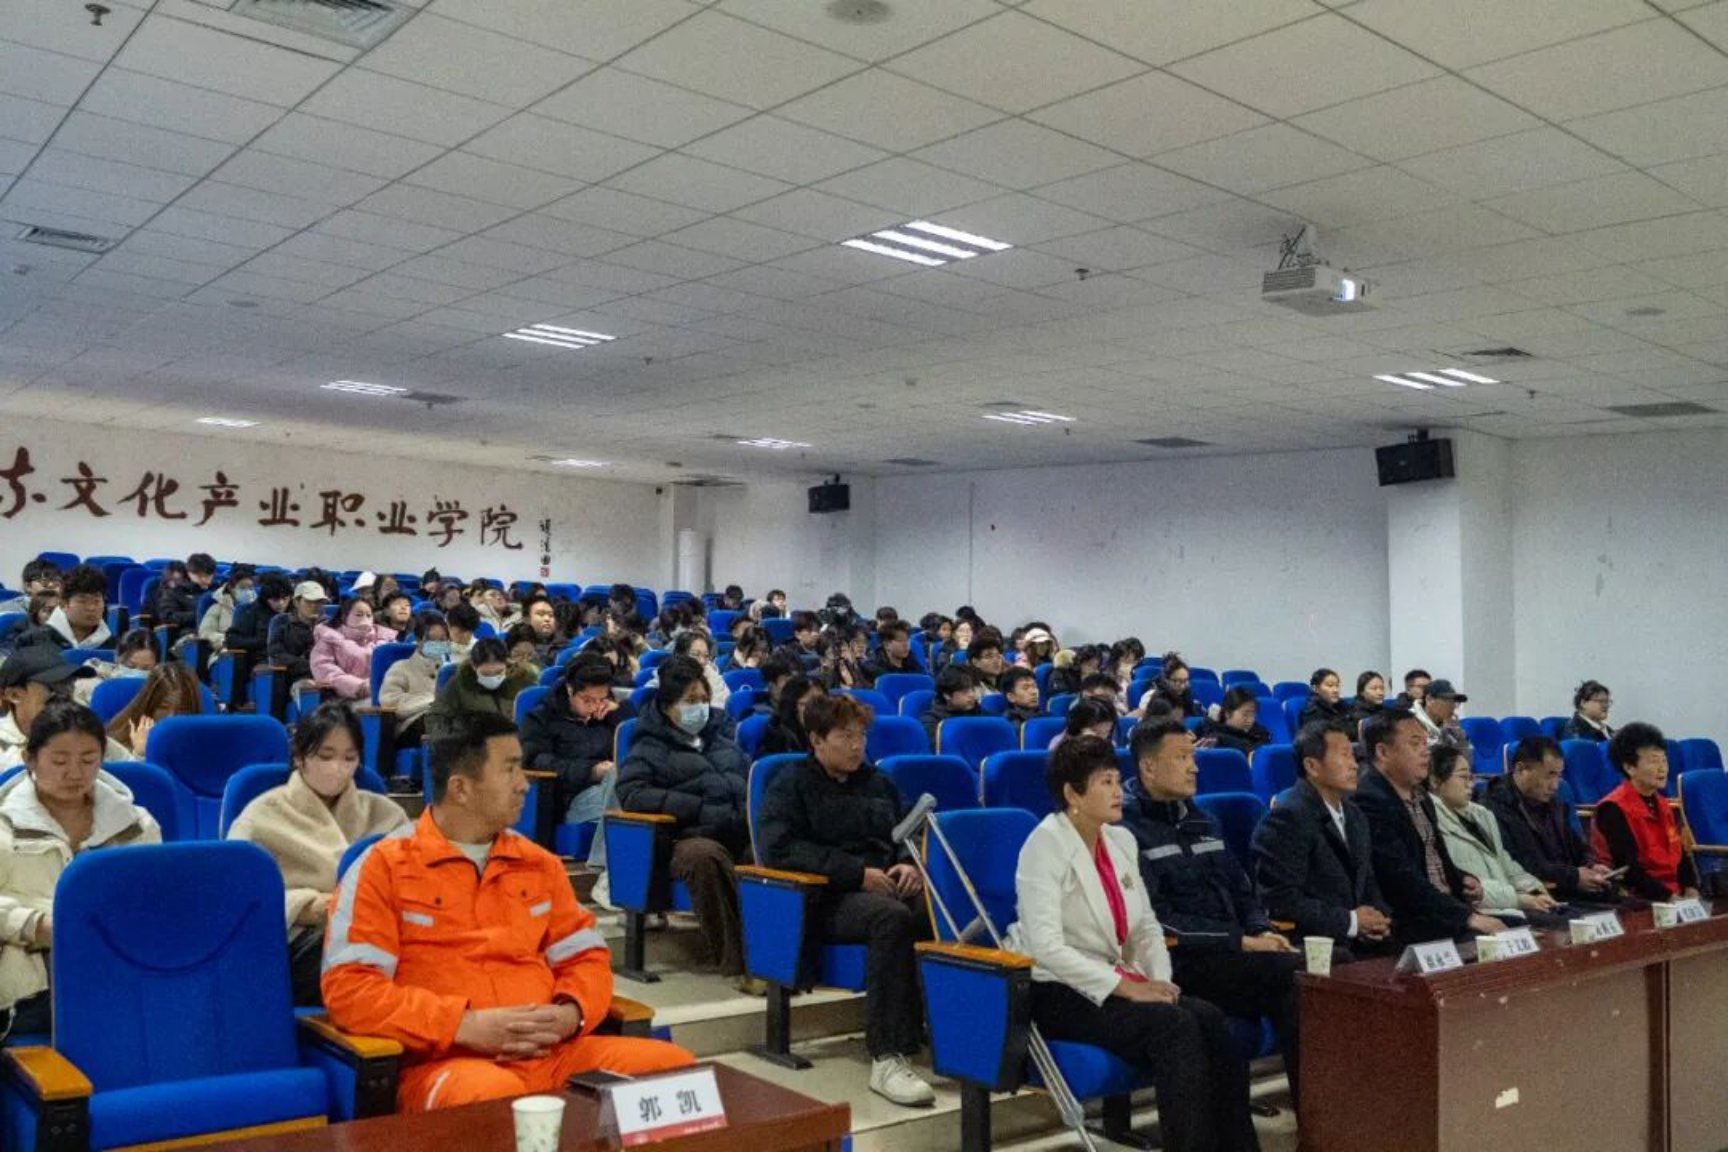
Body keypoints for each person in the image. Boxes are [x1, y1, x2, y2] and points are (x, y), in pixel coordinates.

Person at [322, 711, 692, 1110]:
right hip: (447, 1060)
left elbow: (587, 958)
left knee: (674, 1073)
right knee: (496, 1101)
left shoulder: (539, 864)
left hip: (554, 1053)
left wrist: (572, 1013)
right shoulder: (383, 867)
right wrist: (462, 1025)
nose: (524, 784)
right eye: (510, 769)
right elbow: (351, 990)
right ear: (460, 788)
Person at [1007, 735, 1260, 1152]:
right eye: (1104, 782)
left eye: (1116, 780)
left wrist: (1160, 982)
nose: (1116, 791)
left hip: (1118, 977)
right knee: (1175, 1028)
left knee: (1209, 1018)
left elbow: (1146, 927)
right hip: (1059, 989)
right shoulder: (1045, 845)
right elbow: (1045, 948)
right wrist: (1127, 987)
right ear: (1073, 794)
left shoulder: (1120, 840)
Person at [756, 694, 936, 1107]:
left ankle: (935, 1030)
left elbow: (909, 830)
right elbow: (781, 849)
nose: (857, 746)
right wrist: (855, 873)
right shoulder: (791, 784)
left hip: (883, 886)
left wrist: (908, 862)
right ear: (817, 741)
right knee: (891, 918)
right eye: (845, 737)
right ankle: (887, 1055)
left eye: (861, 736)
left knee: (933, 910)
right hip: (824, 898)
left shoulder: (878, 782)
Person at [1121, 719, 1301, 1101]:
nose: (1194, 768)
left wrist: (1261, 929)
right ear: (1149, 767)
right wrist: (1241, 941)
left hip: (1234, 955)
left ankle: (1321, 1114)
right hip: (1184, 959)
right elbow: (1158, 919)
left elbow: (1242, 889)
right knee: (1296, 974)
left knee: (1316, 979)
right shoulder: (1126, 832)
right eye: (1182, 758)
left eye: (1194, 758)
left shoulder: (1202, 819)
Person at [227, 703, 408, 1006]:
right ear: (300, 758)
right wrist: (306, 906)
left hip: (381, 930)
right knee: (352, 953)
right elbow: (239, 894)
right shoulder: (260, 815)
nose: (338, 767)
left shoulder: (385, 813)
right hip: (301, 940)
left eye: (349, 758)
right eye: (325, 756)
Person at [0, 699, 161, 1038]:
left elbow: (154, 901)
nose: (75, 773)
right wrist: (34, 925)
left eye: (88, 760)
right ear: (30, 759)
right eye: (59, 761)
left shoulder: (136, 825)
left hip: (118, 967)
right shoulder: (4, 825)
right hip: (29, 986)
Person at [616, 656, 752, 986]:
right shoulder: (648, 746)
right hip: (681, 839)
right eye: (690, 701)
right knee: (705, 857)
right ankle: (737, 963)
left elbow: (747, 783)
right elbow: (632, 794)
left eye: (704, 699)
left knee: (767, 857)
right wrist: (695, 807)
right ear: (668, 706)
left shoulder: (722, 742)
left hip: (733, 830)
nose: (700, 708)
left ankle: (776, 960)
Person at [1354, 709, 1506, 942]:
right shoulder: (1369, 800)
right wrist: (1466, 917)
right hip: (1411, 921)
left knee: (1528, 929)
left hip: (1445, 911)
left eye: (1426, 743)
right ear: (1383, 752)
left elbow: (1434, 856)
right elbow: (1399, 879)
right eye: (1415, 744)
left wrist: (1461, 879)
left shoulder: (1422, 796)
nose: (1425, 751)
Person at [1252, 722, 1393, 955]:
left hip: (1359, 940)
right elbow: (1281, 901)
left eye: (1353, 756)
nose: (1354, 765)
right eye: (1344, 755)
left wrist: (1378, 919)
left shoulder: (1355, 814)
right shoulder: (1286, 819)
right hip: (1317, 943)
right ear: (1312, 766)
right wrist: (1352, 922)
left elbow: (1367, 881)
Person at [1428, 746, 1565, 925]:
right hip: (1483, 912)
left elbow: (1507, 864)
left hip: (1509, 904)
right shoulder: (1432, 822)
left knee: (1570, 915)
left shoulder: (1481, 815)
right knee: (1561, 925)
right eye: (1463, 777)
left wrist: (1535, 890)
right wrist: (1518, 899)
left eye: (1471, 777)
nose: (1470, 784)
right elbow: (1468, 886)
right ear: (1435, 781)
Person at [521, 657, 632, 864]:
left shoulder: (608, 715)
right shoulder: (541, 718)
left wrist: (619, 713)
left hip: (609, 788)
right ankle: (604, 864)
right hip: (569, 797)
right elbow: (538, 761)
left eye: (601, 699)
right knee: (620, 778)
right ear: (570, 690)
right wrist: (591, 770)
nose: (595, 706)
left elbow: (637, 743)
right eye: (587, 700)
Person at [1483, 737, 1614, 902]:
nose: (1555, 785)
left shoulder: (1552, 802)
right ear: (1521, 769)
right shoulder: (1495, 806)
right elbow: (1526, 864)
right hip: (1538, 895)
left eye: (1558, 776)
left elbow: (1577, 846)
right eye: (1549, 775)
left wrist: (1591, 866)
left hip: (1568, 887)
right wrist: (1574, 877)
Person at [1590, 722, 1700, 902]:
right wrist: (1668, 897)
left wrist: (1691, 888)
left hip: (1674, 895)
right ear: (1629, 767)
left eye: (1664, 760)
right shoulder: (1613, 808)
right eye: (1653, 761)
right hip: (1639, 898)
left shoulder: (1664, 804)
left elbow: (1680, 855)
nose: (1662, 768)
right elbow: (1628, 871)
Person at [1, 649, 107, 769]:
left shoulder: (88, 734)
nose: (65, 694)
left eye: (69, 683)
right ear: (14, 695)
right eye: (53, 687)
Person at [427, 637, 537, 739]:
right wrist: (449, 740)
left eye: (498, 672)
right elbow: (437, 716)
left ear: (507, 664)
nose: (493, 678)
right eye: (486, 674)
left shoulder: (523, 682)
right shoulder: (459, 684)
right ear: (474, 666)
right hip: (474, 744)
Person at [378, 615, 450, 749]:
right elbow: (390, 702)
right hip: (412, 726)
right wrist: (431, 702)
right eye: (431, 640)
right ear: (418, 640)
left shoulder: (450, 669)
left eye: (442, 640)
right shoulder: (401, 667)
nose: (438, 644)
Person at [105, 663, 203, 760]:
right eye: (163, 707)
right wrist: (140, 754)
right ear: (149, 706)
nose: (171, 717)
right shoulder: (114, 746)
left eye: (182, 709)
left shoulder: (200, 744)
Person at [14, 564, 110, 653]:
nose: (91, 608)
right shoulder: (31, 641)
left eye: (96, 601)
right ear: (63, 604)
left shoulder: (111, 645)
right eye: (82, 601)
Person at [312, 597, 388, 702]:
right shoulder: (328, 639)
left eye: (369, 615)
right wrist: (361, 687)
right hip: (345, 700)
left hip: (387, 695)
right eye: (359, 615)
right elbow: (327, 673)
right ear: (345, 617)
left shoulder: (385, 638)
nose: (365, 619)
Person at [225, 572, 292, 669]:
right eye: (275, 600)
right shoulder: (250, 611)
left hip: (291, 661)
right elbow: (232, 640)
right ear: (266, 598)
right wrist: (263, 641)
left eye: (285, 599)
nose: (281, 603)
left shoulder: (296, 611)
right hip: (262, 662)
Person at [269, 581, 328, 685]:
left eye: (319, 602)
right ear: (296, 602)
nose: (314, 606)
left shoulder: (329, 624)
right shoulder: (281, 622)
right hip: (296, 678)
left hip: (329, 677)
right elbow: (277, 655)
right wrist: (312, 665)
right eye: (309, 601)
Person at [198, 565, 256, 657]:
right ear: (231, 589)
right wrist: (226, 640)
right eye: (243, 588)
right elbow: (206, 632)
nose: (248, 592)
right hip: (227, 652)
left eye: (251, 588)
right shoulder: (218, 608)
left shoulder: (259, 610)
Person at [758, 675, 822, 759]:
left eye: (821, 702)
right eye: (807, 704)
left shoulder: (833, 727)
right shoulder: (778, 733)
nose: (816, 709)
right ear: (792, 706)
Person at [1411, 679, 1473, 762]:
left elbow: (1466, 762)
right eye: (1447, 700)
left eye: (1455, 702)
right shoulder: (1409, 722)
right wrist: (1443, 737)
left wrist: (1459, 737)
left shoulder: (1450, 728)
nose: (1453, 706)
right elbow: (1423, 760)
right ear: (1429, 699)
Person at [921, 666, 981, 752]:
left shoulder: (980, 712)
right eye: (965, 691)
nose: (972, 695)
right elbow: (939, 751)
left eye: (972, 690)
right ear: (947, 695)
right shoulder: (931, 720)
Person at [1198, 687, 1271, 756]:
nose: (1250, 720)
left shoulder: (1258, 732)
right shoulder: (1214, 738)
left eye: (1253, 715)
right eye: (1245, 714)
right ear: (1227, 713)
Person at [1147, 652, 1202, 718]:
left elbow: (1192, 715)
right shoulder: (1158, 698)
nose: (1182, 686)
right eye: (1178, 681)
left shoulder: (1186, 693)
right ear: (1167, 680)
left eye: (1185, 681)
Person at [1052, 696, 1118, 751]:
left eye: (1107, 731)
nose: (1101, 737)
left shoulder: (1110, 745)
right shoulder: (1059, 744)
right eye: (1096, 731)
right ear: (1078, 728)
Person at [519, 595, 563, 668]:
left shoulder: (564, 645)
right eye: (541, 614)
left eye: (551, 615)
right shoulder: (517, 646)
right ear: (526, 619)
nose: (547, 619)